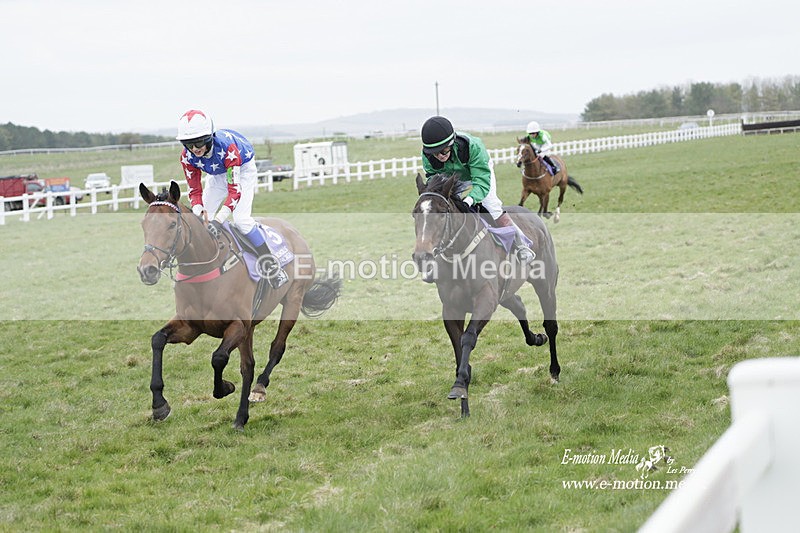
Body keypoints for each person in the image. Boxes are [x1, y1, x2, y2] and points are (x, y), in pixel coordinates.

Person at [176, 109, 287, 288]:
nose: (195, 149)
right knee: (201, 221)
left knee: (242, 221)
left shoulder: (228, 149)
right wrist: (199, 212)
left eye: (199, 143)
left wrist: (219, 220)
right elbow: (194, 191)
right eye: (189, 144)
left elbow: (234, 192)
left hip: (241, 169)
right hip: (217, 173)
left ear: (209, 138)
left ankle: (272, 267)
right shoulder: (186, 157)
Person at [420, 115, 535, 263]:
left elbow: (481, 182)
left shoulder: (472, 146)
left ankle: (520, 245)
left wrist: (468, 200)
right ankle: (434, 252)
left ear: (452, 142)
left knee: (491, 206)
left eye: (443, 151)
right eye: (435, 153)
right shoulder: (428, 156)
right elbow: (434, 182)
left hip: (478, 171)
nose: (439, 156)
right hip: (451, 176)